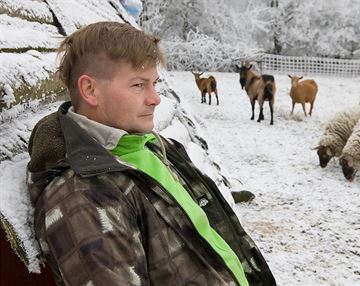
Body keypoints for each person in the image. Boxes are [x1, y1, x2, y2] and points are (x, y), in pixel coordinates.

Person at [26, 21, 276, 286]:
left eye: (154, 83)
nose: (155, 98)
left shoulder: (152, 146)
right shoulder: (84, 198)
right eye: (138, 85)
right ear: (90, 90)